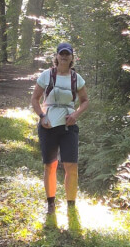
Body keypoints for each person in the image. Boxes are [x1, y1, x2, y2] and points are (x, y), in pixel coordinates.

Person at [31, 42, 89, 216]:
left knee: (71, 166)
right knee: (50, 166)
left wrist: (75, 115)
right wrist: (42, 117)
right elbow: (35, 99)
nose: (64, 56)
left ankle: (71, 206)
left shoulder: (76, 78)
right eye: (61, 54)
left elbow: (85, 101)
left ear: (72, 58)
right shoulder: (46, 75)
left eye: (67, 54)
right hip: (48, 125)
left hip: (68, 126)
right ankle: (51, 204)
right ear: (56, 56)